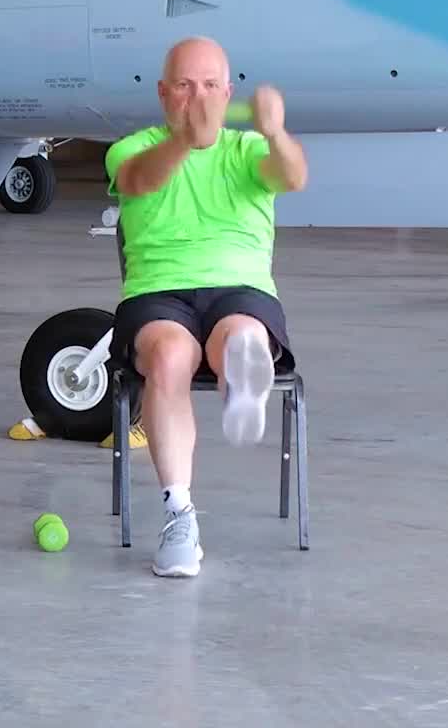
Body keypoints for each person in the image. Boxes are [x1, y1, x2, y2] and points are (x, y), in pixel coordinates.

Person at [104, 36, 308, 579]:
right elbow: (140, 180)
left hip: (239, 286)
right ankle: (179, 515)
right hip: (157, 292)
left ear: (228, 92)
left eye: (210, 86)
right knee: (169, 358)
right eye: (185, 86)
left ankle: (244, 375)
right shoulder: (130, 148)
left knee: (239, 332)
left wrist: (276, 132)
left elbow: (293, 176)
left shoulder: (247, 151)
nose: (197, 97)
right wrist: (185, 143)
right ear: (163, 93)